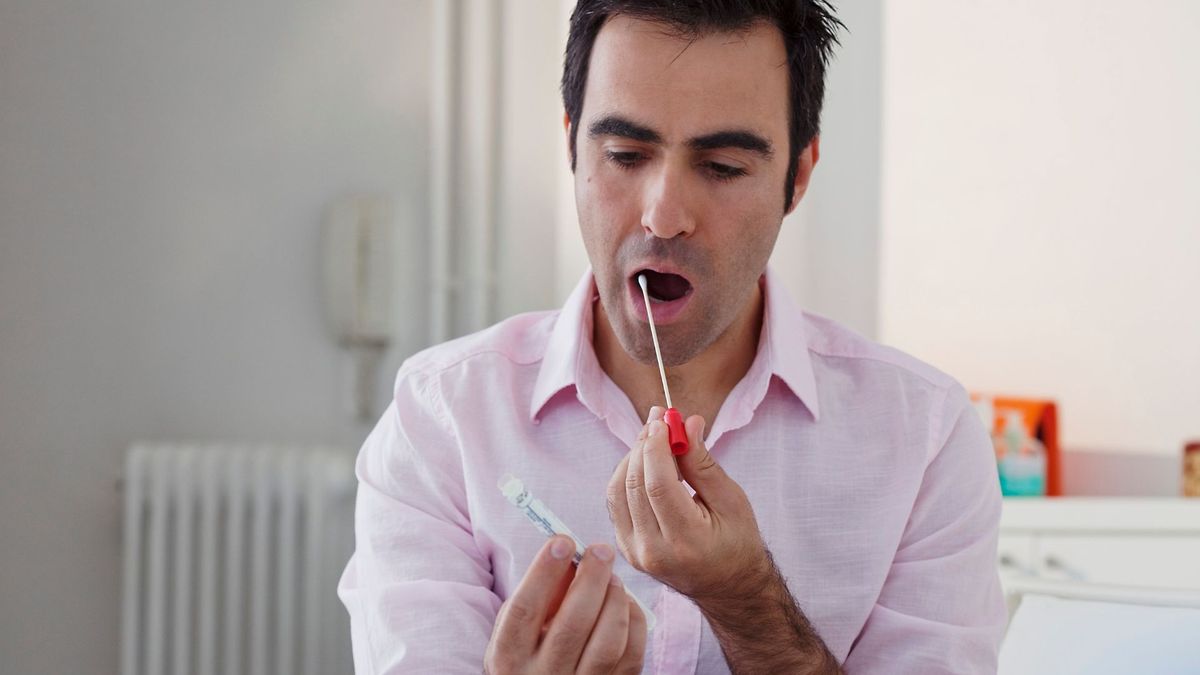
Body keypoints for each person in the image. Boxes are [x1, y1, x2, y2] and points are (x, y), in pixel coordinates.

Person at [338, 1, 1008, 672]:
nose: (662, 215)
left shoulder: (925, 438)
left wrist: (746, 598)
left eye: (721, 167)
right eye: (625, 154)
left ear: (797, 175)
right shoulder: (442, 422)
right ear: (572, 144)